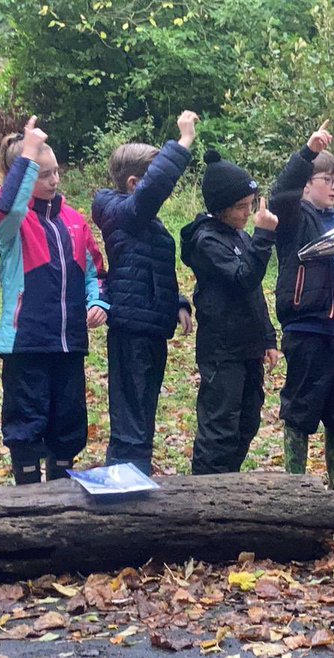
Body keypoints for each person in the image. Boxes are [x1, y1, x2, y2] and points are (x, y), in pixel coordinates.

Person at [0, 117, 108, 484]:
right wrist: (27, 153)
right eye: (43, 174)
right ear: (20, 177)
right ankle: (27, 498)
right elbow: (6, 208)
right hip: (26, 342)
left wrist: (99, 303)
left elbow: (96, 272)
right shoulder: (11, 224)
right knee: (26, 425)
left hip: (69, 342)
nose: (54, 181)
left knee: (68, 423)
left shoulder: (74, 221)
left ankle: (61, 495)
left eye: (56, 172)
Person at [270, 121, 334, 491]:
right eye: (325, 179)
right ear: (308, 183)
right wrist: (307, 152)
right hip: (307, 328)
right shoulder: (294, 216)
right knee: (300, 410)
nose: (332, 186)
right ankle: (294, 486)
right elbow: (278, 193)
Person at [92, 111, 198, 475]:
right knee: (132, 414)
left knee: (143, 409)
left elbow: (151, 272)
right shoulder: (121, 212)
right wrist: (182, 143)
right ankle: (124, 481)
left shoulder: (143, 223)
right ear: (135, 182)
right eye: (151, 181)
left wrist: (178, 304)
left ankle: (135, 476)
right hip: (131, 328)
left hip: (151, 326)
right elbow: (154, 191)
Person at [180, 151, 281, 475]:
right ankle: (206, 492)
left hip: (248, 346)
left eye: (250, 203)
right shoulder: (206, 241)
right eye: (240, 207)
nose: (248, 212)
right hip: (222, 350)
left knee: (249, 419)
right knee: (219, 426)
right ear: (220, 208)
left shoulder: (239, 234)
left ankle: (227, 484)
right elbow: (244, 276)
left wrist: (268, 338)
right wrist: (264, 237)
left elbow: (253, 293)